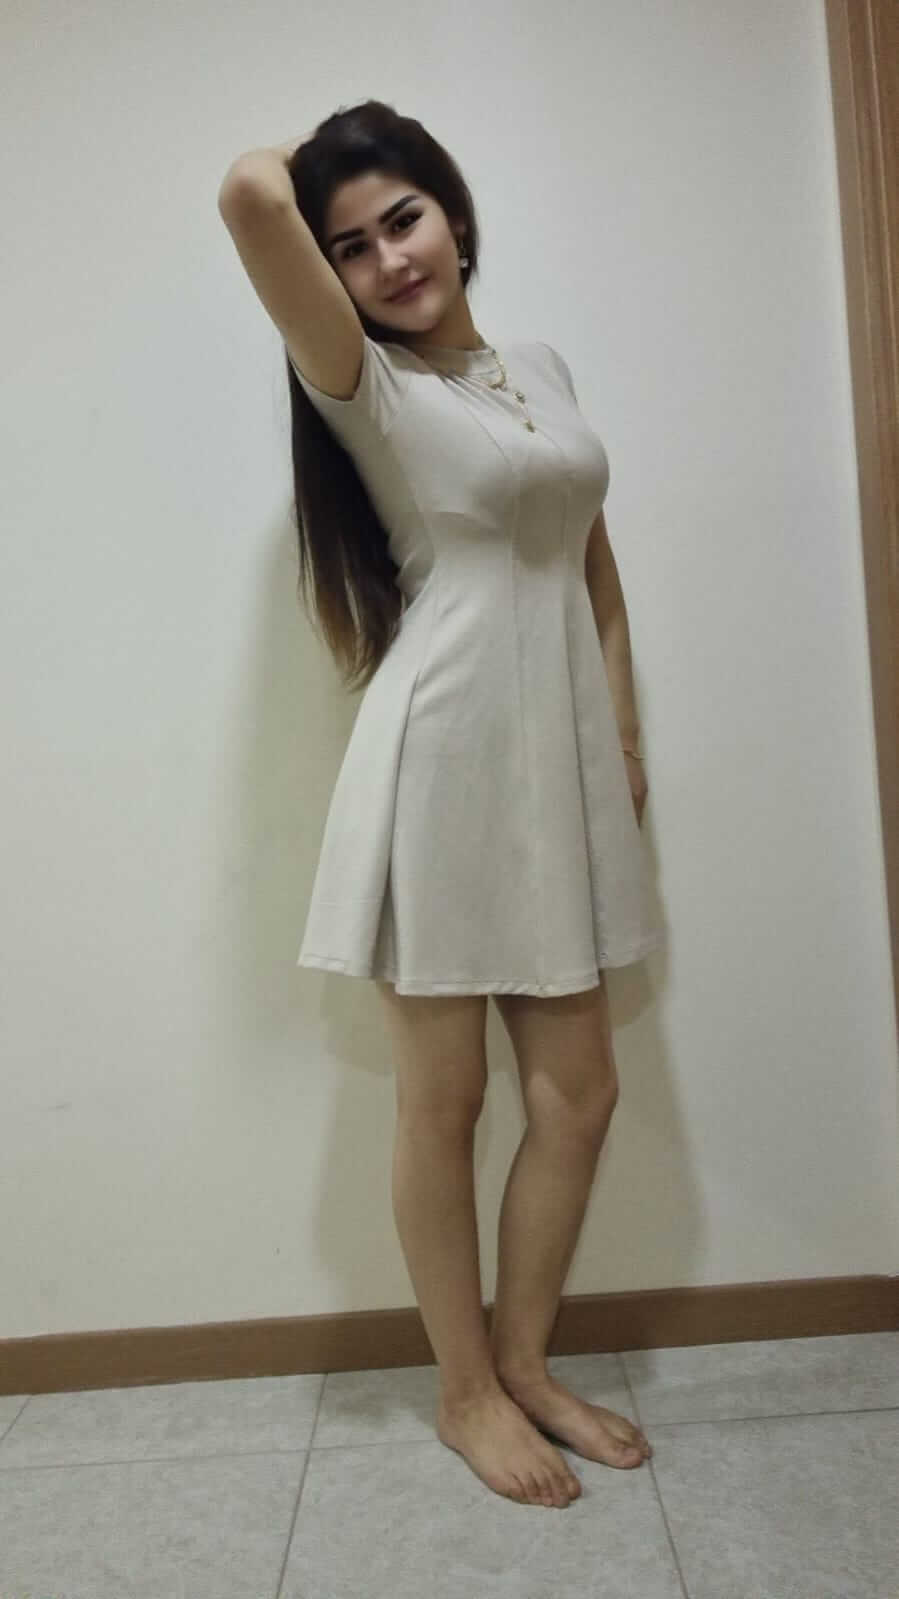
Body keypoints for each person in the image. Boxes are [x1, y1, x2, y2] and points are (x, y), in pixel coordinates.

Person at [218, 99, 663, 1511]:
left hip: (561, 760)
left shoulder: (540, 368)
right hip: (445, 754)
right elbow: (248, 196)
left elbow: (589, 560)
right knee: (448, 1096)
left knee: (579, 1093)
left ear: (456, 218)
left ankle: (524, 1363)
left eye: (403, 218)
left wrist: (622, 733)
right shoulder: (362, 381)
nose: (388, 258)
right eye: (351, 244)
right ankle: (464, 1392)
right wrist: (317, 164)